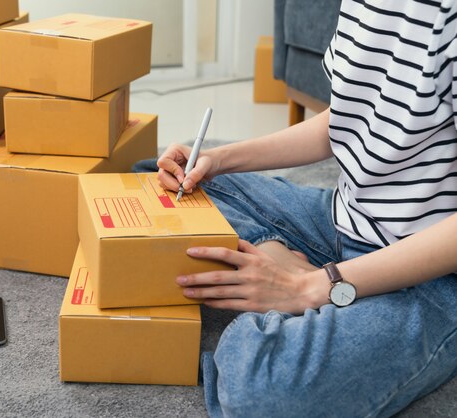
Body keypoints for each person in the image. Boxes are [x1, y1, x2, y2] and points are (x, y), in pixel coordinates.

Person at [134, 1, 457, 416]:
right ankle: (275, 256)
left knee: (261, 387)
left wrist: (314, 287)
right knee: (158, 178)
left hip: (430, 274)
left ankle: (295, 289)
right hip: (341, 220)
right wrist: (218, 159)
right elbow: (344, 121)